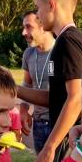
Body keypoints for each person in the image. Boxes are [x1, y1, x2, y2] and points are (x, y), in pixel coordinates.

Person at [16, 0, 82, 162]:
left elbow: (76, 98)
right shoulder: (68, 40)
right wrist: (14, 89)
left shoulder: (68, 43)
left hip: (69, 140)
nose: (38, 15)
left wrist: (50, 146)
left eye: (38, 8)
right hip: (68, 137)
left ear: (51, 5)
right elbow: (56, 97)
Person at [19, 10, 54, 153]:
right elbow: (27, 84)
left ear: (43, 26)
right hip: (38, 124)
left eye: (28, 27)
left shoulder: (61, 51)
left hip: (57, 124)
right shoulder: (29, 53)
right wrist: (23, 110)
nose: (24, 32)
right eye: (24, 27)